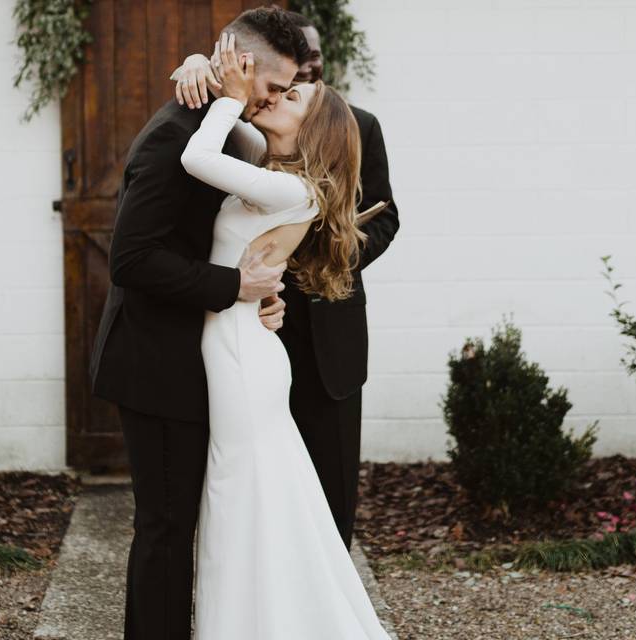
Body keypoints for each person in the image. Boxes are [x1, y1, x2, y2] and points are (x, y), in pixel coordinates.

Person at [88, 7, 311, 640]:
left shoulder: (225, 132)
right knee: (164, 529)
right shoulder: (172, 135)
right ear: (240, 65)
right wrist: (232, 286)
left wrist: (259, 296)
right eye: (271, 85)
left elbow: (228, 238)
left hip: (200, 357)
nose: (271, 100)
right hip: (155, 363)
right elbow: (131, 259)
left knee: (184, 523)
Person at [181, 30, 392, 638]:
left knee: (305, 500)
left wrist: (295, 270)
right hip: (257, 330)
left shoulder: (352, 127)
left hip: (311, 337)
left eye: (304, 79)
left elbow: (382, 218)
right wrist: (204, 68)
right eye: (291, 76)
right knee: (262, 496)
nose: (294, 85)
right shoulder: (255, 134)